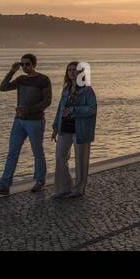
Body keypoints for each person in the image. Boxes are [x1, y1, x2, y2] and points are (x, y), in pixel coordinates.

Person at [0, 53, 53, 195]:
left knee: (37, 153)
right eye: (22, 64)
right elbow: (3, 88)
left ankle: (40, 181)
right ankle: (4, 185)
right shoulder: (21, 79)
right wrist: (12, 71)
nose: (24, 67)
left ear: (34, 64)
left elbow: (47, 101)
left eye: (27, 64)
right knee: (12, 152)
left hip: (35, 121)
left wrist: (29, 109)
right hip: (19, 121)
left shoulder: (43, 79)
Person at [51, 61, 97, 199]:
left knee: (81, 160)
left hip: (81, 129)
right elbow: (60, 109)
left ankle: (79, 189)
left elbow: (92, 109)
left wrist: (74, 110)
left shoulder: (87, 90)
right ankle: (63, 188)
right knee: (60, 156)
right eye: (69, 70)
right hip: (65, 128)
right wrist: (55, 127)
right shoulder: (66, 89)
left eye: (74, 70)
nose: (71, 72)